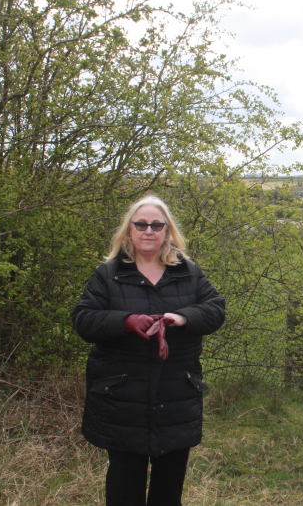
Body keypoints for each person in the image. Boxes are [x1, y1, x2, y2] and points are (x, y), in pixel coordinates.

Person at [72, 196, 225, 506]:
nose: (149, 231)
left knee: (168, 494)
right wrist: (125, 321)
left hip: (175, 399)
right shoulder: (108, 274)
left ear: (167, 231)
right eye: (141, 224)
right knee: (123, 492)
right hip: (122, 401)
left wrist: (182, 317)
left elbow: (215, 310)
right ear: (130, 231)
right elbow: (83, 320)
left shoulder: (189, 273)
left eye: (157, 225)